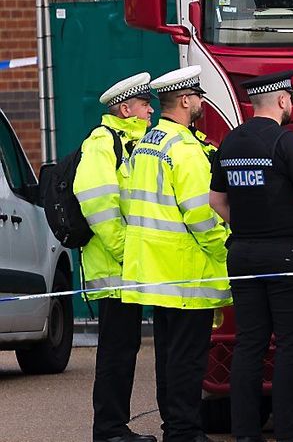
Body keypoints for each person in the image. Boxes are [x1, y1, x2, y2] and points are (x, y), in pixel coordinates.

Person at [209, 71, 293, 442]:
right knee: (291, 345)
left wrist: (246, 224)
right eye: (289, 98)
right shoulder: (287, 143)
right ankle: (290, 431)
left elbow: (216, 200)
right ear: (280, 101)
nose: (291, 103)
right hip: (289, 254)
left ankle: (245, 433)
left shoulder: (229, 143)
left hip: (242, 252)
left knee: (249, 344)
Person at [120, 66, 231, 442]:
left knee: (168, 358)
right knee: (186, 359)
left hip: (155, 270)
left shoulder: (147, 143)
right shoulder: (184, 148)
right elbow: (201, 215)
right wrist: (225, 248)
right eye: (198, 96)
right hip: (186, 272)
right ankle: (183, 431)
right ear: (186, 100)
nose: (201, 102)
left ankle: (175, 426)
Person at [75, 72, 157, 442]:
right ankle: (109, 430)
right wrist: (126, 251)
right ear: (127, 108)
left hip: (129, 265)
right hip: (115, 267)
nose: (151, 110)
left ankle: (115, 427)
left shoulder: (134, 142)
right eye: (145, 105)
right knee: (116, 351)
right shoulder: (102, 142)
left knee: (124, 349)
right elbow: (97, 202)